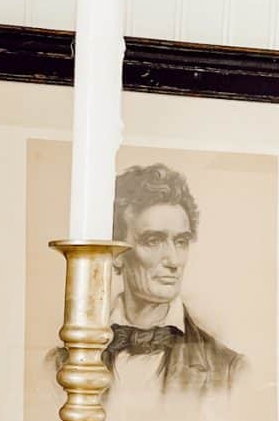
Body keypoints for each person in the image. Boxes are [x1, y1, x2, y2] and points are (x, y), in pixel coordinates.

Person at [104, 163, 244, 397]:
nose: (173, 261)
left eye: (181, 242)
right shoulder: (60, 363)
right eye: (153, 240)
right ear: (116, 254)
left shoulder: (231, 370)